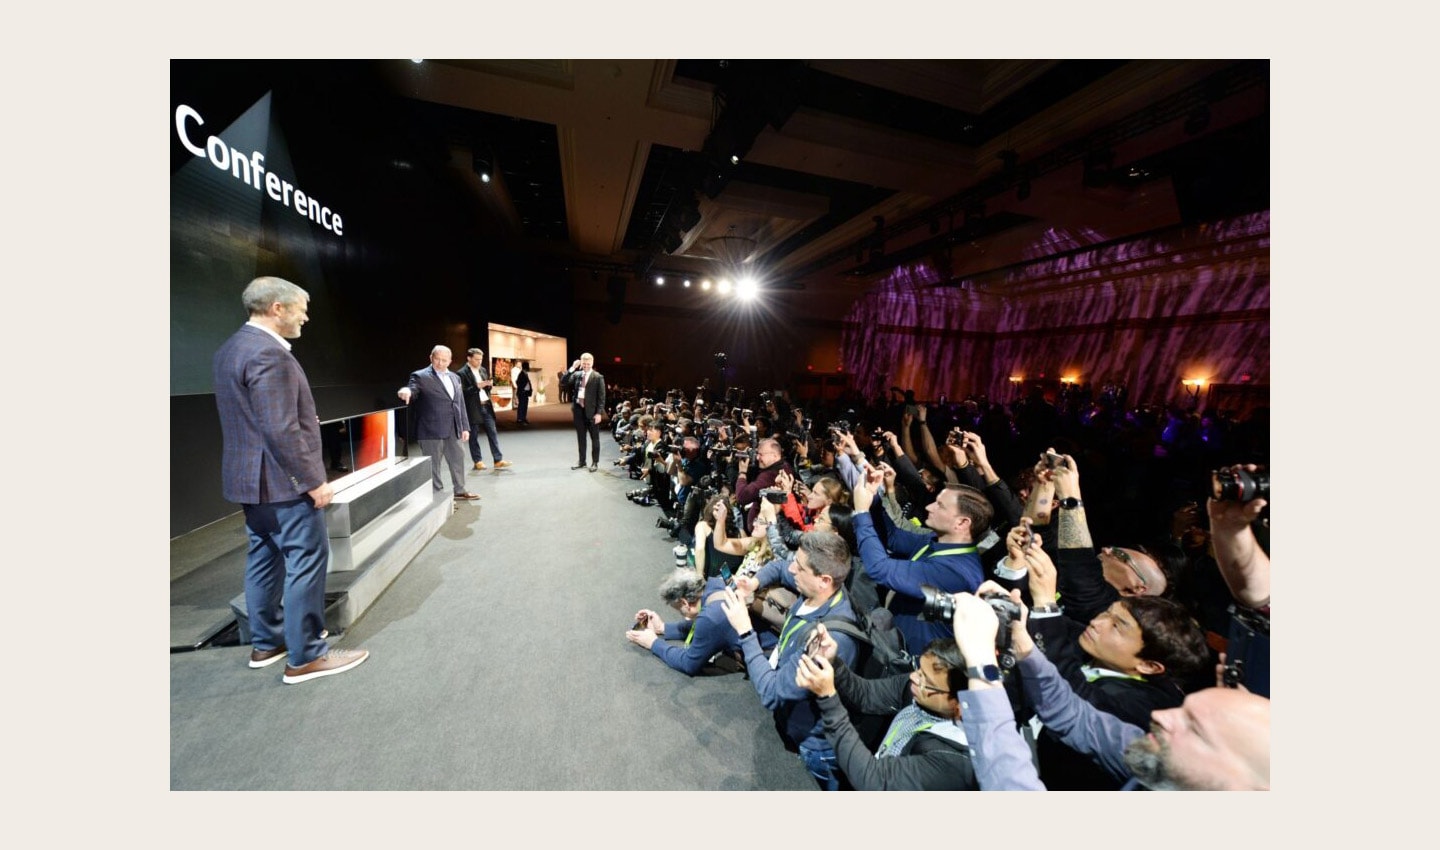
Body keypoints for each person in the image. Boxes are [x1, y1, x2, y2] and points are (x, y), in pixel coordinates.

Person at [212, 276, 369, 684]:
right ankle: (306, 656)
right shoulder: (270, 355)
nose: (306, 316)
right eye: (300, 307)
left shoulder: (231, 349)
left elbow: (256, 419)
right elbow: (280, 428)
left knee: (264, 558)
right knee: (306, 562)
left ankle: (268, 642)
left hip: (251, 483)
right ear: (276, 309)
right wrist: (313, 481)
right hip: (283, 483)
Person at [948, 591, 1269, 790]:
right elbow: (1072, 715)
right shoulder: (1156, 754)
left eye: (1195, 729)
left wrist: (980, 664)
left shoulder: (1141, 706)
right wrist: (1023, 642)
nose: (1162, 716)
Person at [718, 531, 863, 790]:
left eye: (800, 566)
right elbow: (778, 567)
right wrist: (753, 583)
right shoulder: (819, 589)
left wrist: (744, 631)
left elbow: (772, 692)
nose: (792, 568)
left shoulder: (828, 640)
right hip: (792, 715)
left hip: (814, 745)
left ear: (823, 580)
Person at [794, 627, 979, 790]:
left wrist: (828, 698)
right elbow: (866, 694)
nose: (914, 678)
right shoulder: (917, 689)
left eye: (926, 682)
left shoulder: (952, 761)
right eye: (919, 669)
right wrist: (833, 662)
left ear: (959, 704)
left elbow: (873, 780)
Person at [850, 465, 989, 654]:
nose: (928, 507)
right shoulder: (934, 540)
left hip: (913, 666)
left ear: (962, 523)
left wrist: (861, 514)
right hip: (894, 644)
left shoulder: (957, 572)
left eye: (940, 505)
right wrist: (872, 498)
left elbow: (879, 569)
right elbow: (893, 537)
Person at [625, 569, 752, 675]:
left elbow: (688, 663)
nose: (681, 613)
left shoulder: (711, 617)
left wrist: (653, 643)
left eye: (680, 610)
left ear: (685, 603)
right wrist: (662, 628)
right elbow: (712, 630)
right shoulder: (717, 583)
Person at [398, 345, 480, 502]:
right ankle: (438, 497)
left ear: (450, 361)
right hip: (430, 429)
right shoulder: (420, 376)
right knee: (434, 465)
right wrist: (407, 391)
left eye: (444, 360)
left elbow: (459, 403)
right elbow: (412, 388)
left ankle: (460, 490)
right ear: (431, 358)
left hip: (454, 428)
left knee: (458, 460)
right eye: (437, 359)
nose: (440, 363)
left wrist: (464, 427)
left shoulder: (455, 377)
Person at [458, 347, 510, 471]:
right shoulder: (461, 373)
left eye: (481, 359)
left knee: (493, 433)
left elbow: (485, 390)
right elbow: (462, 393)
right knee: (474, 435)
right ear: (469, 358)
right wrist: (477, 386)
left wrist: (488, 386)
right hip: (473, 408)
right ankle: (478, 461)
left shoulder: (482, 370)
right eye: (476, 359)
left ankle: (498, 460)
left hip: (486, 405)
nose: (479, 362)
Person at [565, 352, 605, 471]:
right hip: (578, 411)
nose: (586, 366)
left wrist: (599, 413)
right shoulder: (577, 374)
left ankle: (595, 463)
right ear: (581, 363)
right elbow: (564, 381)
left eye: (588, 363)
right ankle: (582, 461)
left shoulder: (598, 377)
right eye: (584, 363)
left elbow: (601, 397)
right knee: (581, 438)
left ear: (592, 363)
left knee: (595, 439)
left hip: (592, 412)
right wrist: (572, 368)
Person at [512, 359, 533, 425]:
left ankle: (523, 418)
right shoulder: (521, 374)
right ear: (526, 367)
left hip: (525, 393)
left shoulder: (525, 373)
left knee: (525, 406)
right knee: (521, 406)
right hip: (522, 393)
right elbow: (517, 382)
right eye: (528, 366)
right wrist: (522, 388)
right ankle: (520, 419)